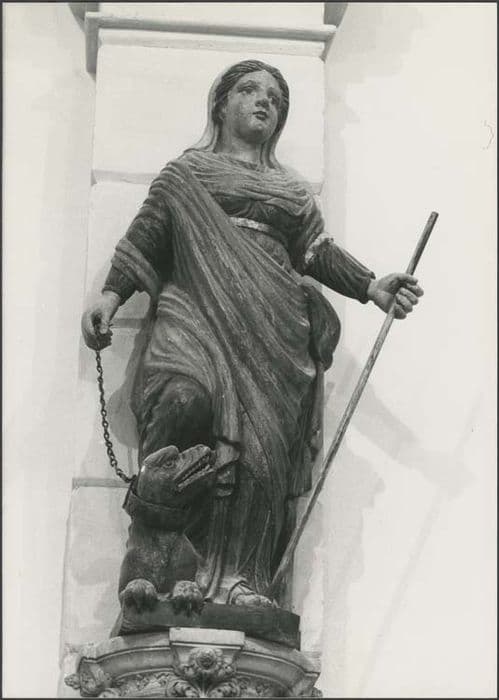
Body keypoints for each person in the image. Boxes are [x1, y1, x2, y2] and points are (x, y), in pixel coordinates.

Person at [81, 60, 423, 608]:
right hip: (192, 318)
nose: (265, 101)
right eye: (250, 90)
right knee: (181, 403)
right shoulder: (186, 175)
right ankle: (154, 566)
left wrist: (371, 286)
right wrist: (110, 296)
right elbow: (148, 236)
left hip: (270, 336)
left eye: (276, 98)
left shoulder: (290, 192)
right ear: (221, 104)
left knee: (260, 454)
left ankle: (241, 581)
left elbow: (317, 252)